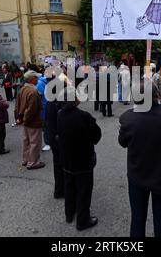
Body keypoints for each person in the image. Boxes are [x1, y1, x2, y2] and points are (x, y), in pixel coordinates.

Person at [119, 83, 161, 237]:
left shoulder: (127, 117)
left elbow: (123, 142)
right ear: (157, 96)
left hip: (137, 174)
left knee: (138, 217)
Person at [57, 86, 102, 231]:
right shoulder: (84, 116)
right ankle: (82, 220)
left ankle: (69, 213)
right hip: (83, 160)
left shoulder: (60, 114)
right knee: (84, 190)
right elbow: (96, 136)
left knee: (69, 186)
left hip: (67, 159)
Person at [15, 70, 45, 170]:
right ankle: (33, 162)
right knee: (34, 142)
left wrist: (19, 118)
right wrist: (25, 119)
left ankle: (26, 159)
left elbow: (17, 105)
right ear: (32, 79)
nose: (37, 79)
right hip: (32, 121)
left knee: (26, 140)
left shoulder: (23, 88)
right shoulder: (33, 91)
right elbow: (31, 110)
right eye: (36, 77)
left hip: (24, 119)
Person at [36, 72, 51, 152]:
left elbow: (39, 96)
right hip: (48, 105)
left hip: (44, 107)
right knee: (48, 125)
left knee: (46, 126)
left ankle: (48, 143)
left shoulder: (39, 83)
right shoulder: (46, 81)